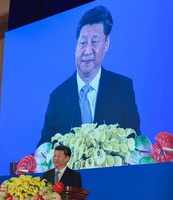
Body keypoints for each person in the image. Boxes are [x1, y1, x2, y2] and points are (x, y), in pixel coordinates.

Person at [37, 6, 140, 147]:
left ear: (106, 43)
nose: (87, 51)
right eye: (83, 42)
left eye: (95, 42)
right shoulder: (57, 97)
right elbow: (44, 149)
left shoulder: (122, 88)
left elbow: (134, 142)